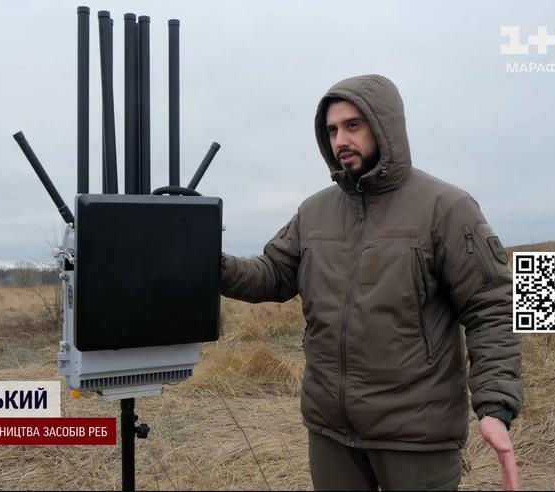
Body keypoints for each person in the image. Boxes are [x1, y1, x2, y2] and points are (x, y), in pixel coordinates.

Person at [219, 74, 524, 491]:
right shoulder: (314, 211)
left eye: (352, 125)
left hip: (416, 435)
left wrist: (495, 404)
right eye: (331, 130)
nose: (340, 140)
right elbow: (271, 274)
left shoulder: (446, 207)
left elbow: (492, 306)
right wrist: (206, 261)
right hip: (330, 430)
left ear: (385, 126)